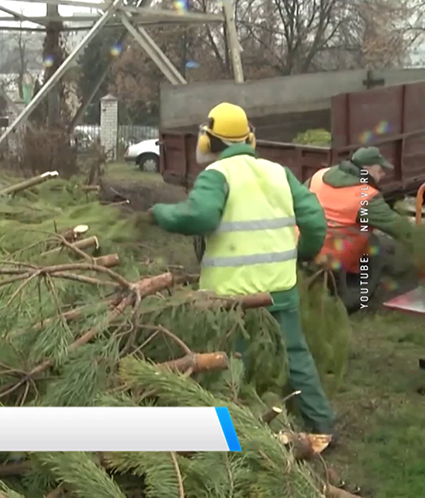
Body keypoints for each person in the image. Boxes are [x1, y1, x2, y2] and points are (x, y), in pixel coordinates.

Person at [143, 102, 336, 438]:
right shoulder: (279, 172)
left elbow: (199, 217)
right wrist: (299, 253)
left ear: (209, 141)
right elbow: (316, 222)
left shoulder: (217, 176)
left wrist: (159, 212)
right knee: (296, 357)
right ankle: (322, 427)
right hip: (279, 290)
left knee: (230, 366)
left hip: (231, 299)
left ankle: (234, 434)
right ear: (249, 138)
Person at [304, 147, 416, 313]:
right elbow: (400, 229)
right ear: (367, 169)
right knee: (373, 245)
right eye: (380, 170)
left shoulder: (320, 175)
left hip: (302, 245)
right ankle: (353, 293)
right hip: (331, 261)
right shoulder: (366, 197)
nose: (382, 175)